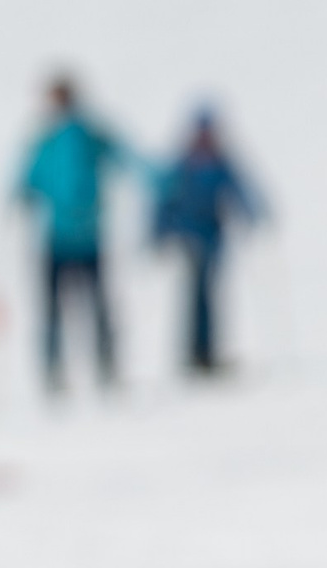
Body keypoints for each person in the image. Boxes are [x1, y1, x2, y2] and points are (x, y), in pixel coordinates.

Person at [15, 76, 135, 391]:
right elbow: (125, 158)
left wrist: (20, 192)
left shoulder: (52, 139)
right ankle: (98, 367)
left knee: (62, 309)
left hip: (65, 238)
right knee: (91, 307)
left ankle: (62, 371)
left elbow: (28, 179)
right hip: (80, 237)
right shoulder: (79, 135)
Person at [149, 106, 264, 375]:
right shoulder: (183, 164)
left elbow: (240, 190)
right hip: (189, 237)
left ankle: (208, 351)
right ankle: (194, 352)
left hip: (213, 237)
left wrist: (253, 215)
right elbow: (165, 200)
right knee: (194, 296)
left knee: (210, 296)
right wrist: (160, 232)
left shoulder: (220, 162)